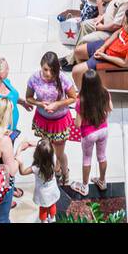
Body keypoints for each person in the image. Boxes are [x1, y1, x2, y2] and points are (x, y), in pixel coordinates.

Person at [25, 51, 77, 188]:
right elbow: (28, 98)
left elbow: (73, 97)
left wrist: (57, 104)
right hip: (43, 121)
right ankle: (56, 169)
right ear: (41, 66)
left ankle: (65, 173)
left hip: (59, 122)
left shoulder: (63, 79)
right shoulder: (34, 78)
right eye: (45, 69)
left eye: (52, 70)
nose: (48, 73)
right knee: (49, 149)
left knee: (59, 153)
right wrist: (40, 103)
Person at [69, 8, 128, 91]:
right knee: (77, 51)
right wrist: (103, 47)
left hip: (110, 58)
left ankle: (83, 93)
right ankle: (89, 78)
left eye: (125, 23)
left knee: (75, 71)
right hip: (107, 46)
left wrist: (104, 56)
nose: (122, 24)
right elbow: (117, 33)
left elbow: (126, 64)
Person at [74, 70, 111, 195]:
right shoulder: (105, 93)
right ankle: (102, 181)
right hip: (103, 129)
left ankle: (84, 187)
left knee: (87, 158)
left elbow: (78, 124)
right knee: (102, 156)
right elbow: (110, 108)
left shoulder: (81, 101)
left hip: (89, 134)